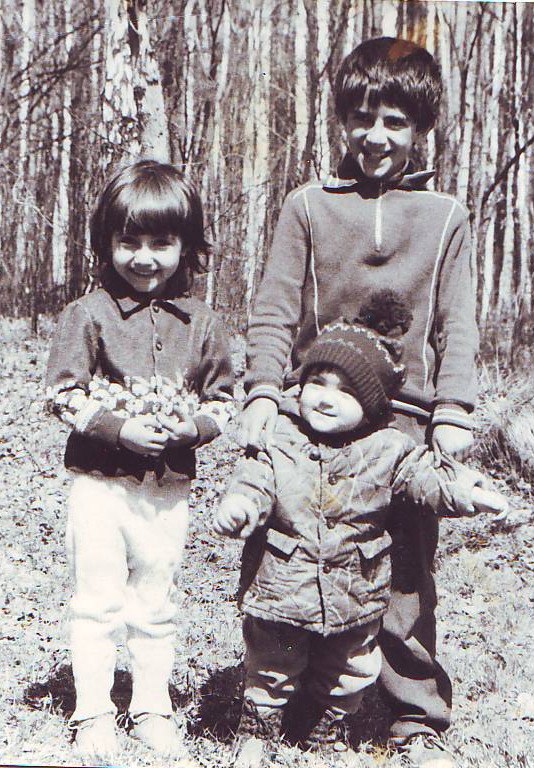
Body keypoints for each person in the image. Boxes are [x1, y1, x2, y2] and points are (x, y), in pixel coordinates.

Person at [240, 36, 479, 768]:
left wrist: (452, 411)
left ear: (422, 128)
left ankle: (413, 717)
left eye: (395, 122)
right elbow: (274, 308)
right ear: (341, 121)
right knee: (283, 555)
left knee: (403, 570)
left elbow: (457, 325)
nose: (376, 136)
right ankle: (280, 701)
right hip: (311, 415)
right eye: (362, 118)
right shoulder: (308, 206)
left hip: (401, 425)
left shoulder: (445, 216)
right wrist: (263, 391)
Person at [215, 294, 504, 767]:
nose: (325, 397)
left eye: (345, 390)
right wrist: (240, 505)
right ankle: (258, 729)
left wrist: (465, 492)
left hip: (355, 586)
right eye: (317, 381)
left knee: (350, 667)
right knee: (272, 662)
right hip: (283, 585)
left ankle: (326, 730)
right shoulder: (282, 436)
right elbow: (255, 478)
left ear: (370, 403)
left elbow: (424, 480)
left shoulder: (389, 447)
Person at [45, 159, 235, 764]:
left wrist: (195, 428)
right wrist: (118, 428)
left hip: (166, 492)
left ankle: (152, 707)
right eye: (129, 242)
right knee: (97, 601)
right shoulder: (88, 314)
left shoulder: (202, 323)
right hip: (99, 487)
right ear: (106, 243)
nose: (144, 257)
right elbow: (62, 393)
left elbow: (225, 401)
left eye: (162, 242)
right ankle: (94, 712)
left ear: (187, 246)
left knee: (155, 602)